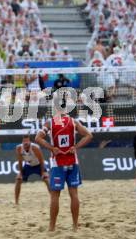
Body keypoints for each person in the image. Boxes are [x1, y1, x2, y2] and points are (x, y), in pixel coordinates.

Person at [35, 94, 93, 231]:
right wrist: (76, 147)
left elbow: (38, 138)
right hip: (73, 161)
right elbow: (89, 135)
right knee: (74, 194)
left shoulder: (50, 123)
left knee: (55, 195)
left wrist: (52, 148)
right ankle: (74, 226)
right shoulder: (73, 122)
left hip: (58, 162)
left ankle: (52, 227)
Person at [15, 134, 50, 205]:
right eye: (24, 142)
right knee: (18, 179)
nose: (25, 144)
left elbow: (41, 160)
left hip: (39, 165)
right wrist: (21, 173)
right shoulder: (19, 148)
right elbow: (20, 161)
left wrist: (43, 172)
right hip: (28, 165)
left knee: (46, 179)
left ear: (30, 142)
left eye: (27, 142)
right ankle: (16, 201)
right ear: (22, 142)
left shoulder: (35, 148)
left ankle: (53, 198)